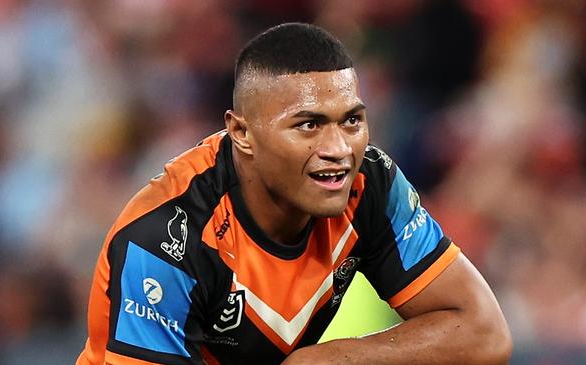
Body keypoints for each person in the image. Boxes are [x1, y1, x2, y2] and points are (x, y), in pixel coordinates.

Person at [76, 22, 512, 365]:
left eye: (352, 121)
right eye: (309, 125)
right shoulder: (167, 238)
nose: (339, 150)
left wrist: (329, 360)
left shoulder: (369, 184)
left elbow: (484, 333)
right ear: (241, 133)